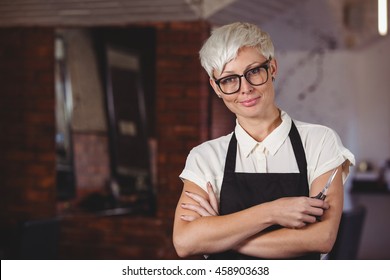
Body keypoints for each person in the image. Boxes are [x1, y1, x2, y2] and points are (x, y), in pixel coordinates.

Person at [172, 22, 355, 259]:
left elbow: (321, 238)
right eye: (229, 80)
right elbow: (185, 242)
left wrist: (219, 235)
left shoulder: (319, 142)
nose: (245, 88)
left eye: (254, 71)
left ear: (273, 68)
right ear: (215, 87)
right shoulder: (205, 157)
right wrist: (272, 212)